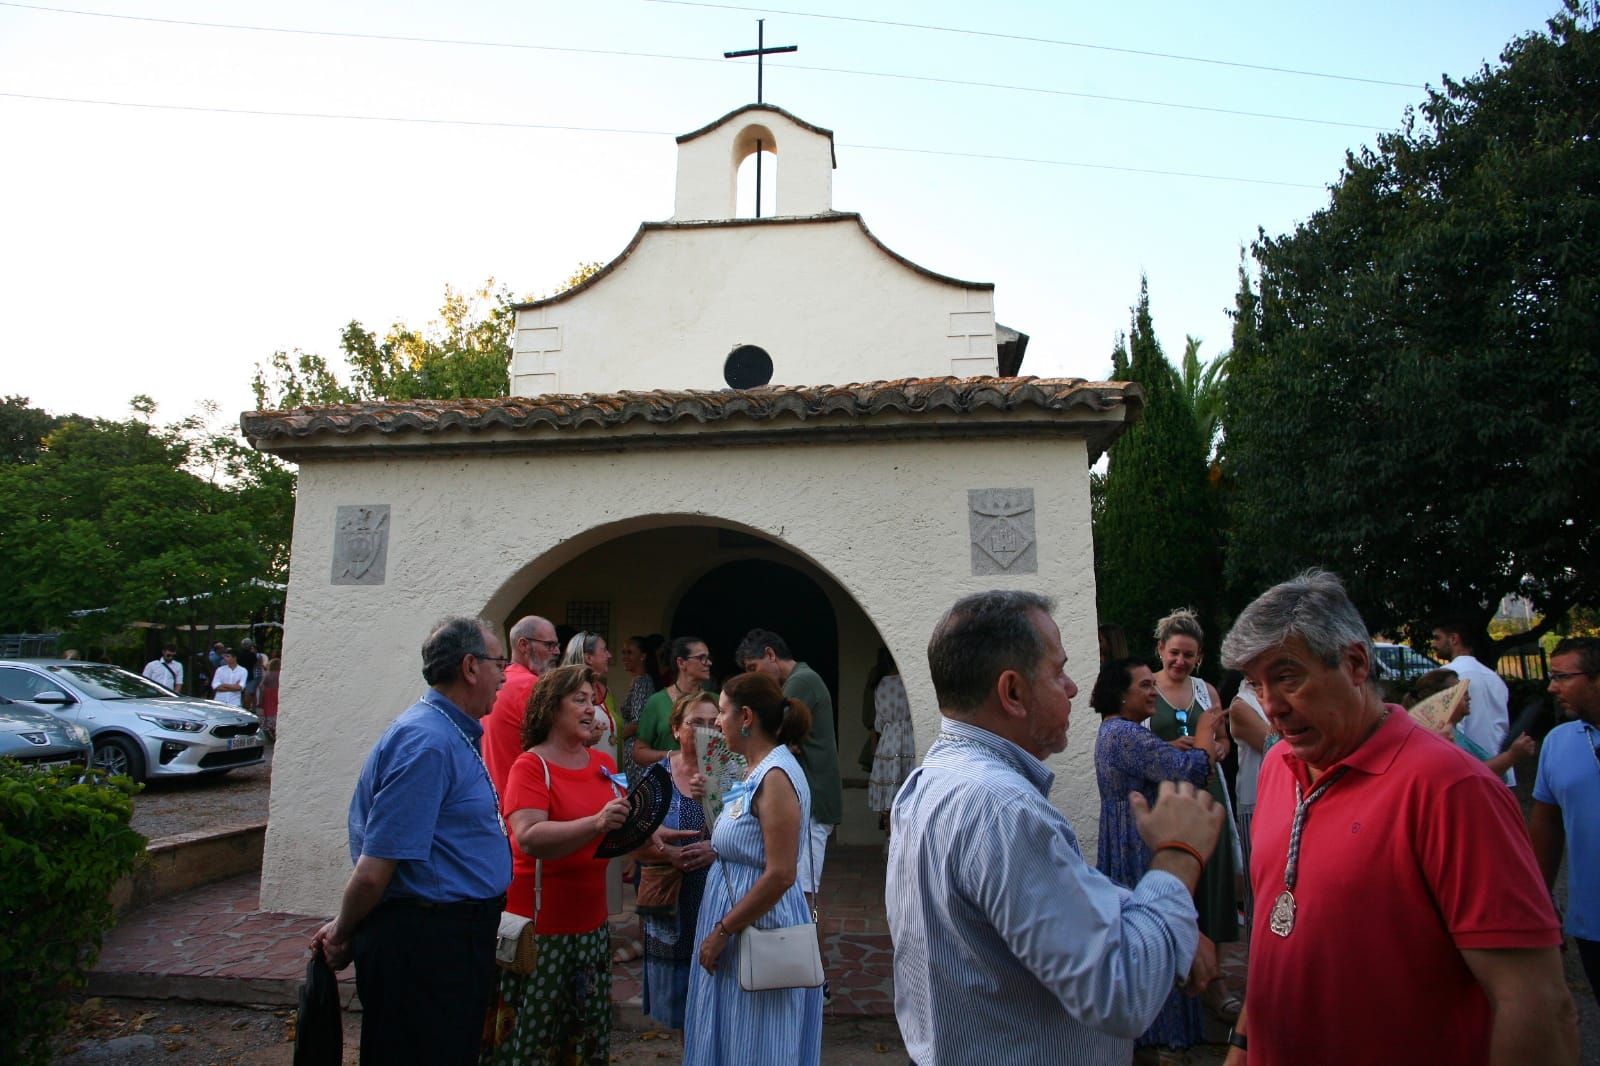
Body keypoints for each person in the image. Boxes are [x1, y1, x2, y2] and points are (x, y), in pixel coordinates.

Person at [1220, 570, 1575, 1066]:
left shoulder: (1452, 789)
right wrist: (1241, 1047)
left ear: (1355, 663)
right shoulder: (1279, 765)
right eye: (1256, 685)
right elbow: (1276, 933)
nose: (1271, 706)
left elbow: (1535, 1005)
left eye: (1287, 677)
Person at [889, 590, 1224, 1065]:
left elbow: (1054, 900)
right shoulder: (1003, 810)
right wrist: (1177, 857)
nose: (1071, 688)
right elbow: (1121, 993)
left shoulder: (932, 780)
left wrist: (1163, 920)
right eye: (1057, 671)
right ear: (1013, 693)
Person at [311, 616, 512, 1066]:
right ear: (470, 667)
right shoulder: (428, 743)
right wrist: (342, 932)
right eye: (500, 663)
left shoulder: (450, 732)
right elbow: (374, 871)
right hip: (427, 946)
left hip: (449, 939)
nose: (505, 675)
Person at [483, 664, 629, 1065]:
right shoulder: (531, 766)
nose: (591, 708)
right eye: (579, 700)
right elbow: (529, 837)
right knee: (537, 1035)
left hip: (591, 927)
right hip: (541, 931)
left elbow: (620, 822)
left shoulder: (602, 763)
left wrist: (657, 839)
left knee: (582, 1033)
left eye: (592, 700)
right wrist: (596, 822)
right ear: (551, 708)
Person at [684, 671, 824, 1065]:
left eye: (722, 712)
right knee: (733, 1032)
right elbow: (745, 841)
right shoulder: (754, 769)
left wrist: (723, 930)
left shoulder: (775, 776)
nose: (717, 722)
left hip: (757, 924)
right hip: (740, 919)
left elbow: (781, 873)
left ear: (746, 717)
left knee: (758, 1041)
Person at [1092, 656, 1221, 1061]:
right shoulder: (1126, 734)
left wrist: (1167, 749)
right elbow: (1191, 771)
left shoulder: (1116, 731)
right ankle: (1163, 1040)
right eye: (1145, 686)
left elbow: (1160, 762)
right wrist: (1205, 729)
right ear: (1120, 694)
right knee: (1158, 928)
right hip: (1139, 842)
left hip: (1124, 838)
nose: (1153, 692)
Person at [1148, 607, 1240, 1022]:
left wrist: (1218, 746)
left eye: (1189, 654)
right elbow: (1137, 740)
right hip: (1169, 796)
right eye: (1174, 653)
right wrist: (1169, 749)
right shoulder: (1148, 688)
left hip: (1208, 793)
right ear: (1161, 650)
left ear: (1199, 656)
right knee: (1177, 881)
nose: (1180, 661)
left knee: (1214, 878)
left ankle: (1215, 978)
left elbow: (1224, 740)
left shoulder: (1207, 692)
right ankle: (1176, 978)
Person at [735, 629, 842, 899]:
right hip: (804, 797)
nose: (753, 677)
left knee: (803, 893)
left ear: (770, 654)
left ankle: (809, 931)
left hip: (813, 799)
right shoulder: (796, 681)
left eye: (753, 667)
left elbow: (767, 734)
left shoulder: (801, 681)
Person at [636, 690, 718, 1029]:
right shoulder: (657, 777)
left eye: (714, 723)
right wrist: (668, 853)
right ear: (675, 729)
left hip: (717, 903)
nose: (706, 731)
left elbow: (753, 837)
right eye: (696, 723)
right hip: (672, 907)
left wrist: (715, 848)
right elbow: (633, 843)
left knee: (718, 1001)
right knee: (682, 1012)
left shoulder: (733, 774)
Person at [1530, 637, 1600, 1007]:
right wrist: (1539, 900)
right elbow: (1548, 825)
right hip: (1592, 923)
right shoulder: (1557, 742)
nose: (1551, 687)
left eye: (1562, 677)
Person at [1407, 668, 1535, 775]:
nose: (1469, 697)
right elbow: (1472, 773)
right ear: (1442, 699)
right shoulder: (1440, 735)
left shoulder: (1450, 732)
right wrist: (1511, 755)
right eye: (1462, 692)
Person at [483, 615, 560, 795]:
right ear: (524, 645)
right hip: (524, 798)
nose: (556, 652)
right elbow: (559, 747)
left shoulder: (502, 680)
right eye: (549, 645)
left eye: (557, 645)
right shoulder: (532, 686)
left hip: (496, 795)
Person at [1431, 617, 1513, 782]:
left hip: (1469, 772)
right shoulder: (1494, 678)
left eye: (1437, 638)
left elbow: (1445, 727)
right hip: (1502, 769)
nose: (1433, 644)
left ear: (1454, 639)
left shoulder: (1444, 677)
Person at [1225, 677, 1273, 920]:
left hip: (1287, 799)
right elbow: (1275, 746)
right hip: (1255, 801)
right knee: (1259, 887)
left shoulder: (1279, 694)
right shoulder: (1241, 704)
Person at [635, 637, 712, 766]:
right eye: (701, 658)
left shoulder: (715, 701)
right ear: (681, 663)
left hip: (708, 776)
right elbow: (639, 752)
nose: (708, 663)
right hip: (669, 775)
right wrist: (674, 756)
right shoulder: (657, 702)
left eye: (708, 658)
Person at [867, 657, 914, 828]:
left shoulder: (880, 684)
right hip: (909, 741)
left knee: (888, 803)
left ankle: (889, 836)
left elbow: (879, 723)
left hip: (887, 741)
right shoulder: (910, 682)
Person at [616, 634, 664, 784]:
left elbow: (638, 722)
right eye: (623, 652)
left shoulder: (642, 682)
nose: (625, 657)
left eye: (630, 652)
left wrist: (615, 738)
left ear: (642, 656)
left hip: (636, 752)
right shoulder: (642, 680)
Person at [562, 632, 616, 751]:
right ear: (589, 658)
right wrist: (584, 741)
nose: (609, 655)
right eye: (604, 650)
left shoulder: (606, 691)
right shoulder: (565, 692)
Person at [259, 656, 280, 741]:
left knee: (269, 712)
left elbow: (261, 686)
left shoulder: (268, 674)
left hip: (268, 695)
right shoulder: (281, 674)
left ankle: (272, 732)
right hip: (278, 694)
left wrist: (260, 700)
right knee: (277, 711)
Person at [237, 638, 261, 712]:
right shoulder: (252, 655)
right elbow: (256, 665)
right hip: (249, 675)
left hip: (240, 675)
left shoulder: (239, 654)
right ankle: (246, 708)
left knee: (240, 692)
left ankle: (241, 707)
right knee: (248, 693)